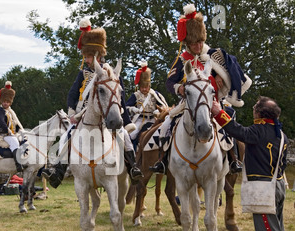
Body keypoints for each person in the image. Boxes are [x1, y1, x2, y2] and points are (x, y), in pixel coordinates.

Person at [149, 3, 251, 174]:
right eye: (194, 42)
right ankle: (162, 160)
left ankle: (234, 160)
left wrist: (220, 75)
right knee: (167, 124)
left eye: (200, 41)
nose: (197, 46)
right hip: (188, 104)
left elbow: (230, 75)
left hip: (215, 103)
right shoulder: (182, 60)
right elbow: (169, 82)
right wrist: (179, 88)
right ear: (188, 42)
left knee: (229, 123)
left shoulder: (213, 56)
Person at [42, 18, 143, 188]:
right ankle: (58, 171)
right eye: (86, 56)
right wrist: (72, 112)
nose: (87, 60)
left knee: (124, 136)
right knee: (68, 135)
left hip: (107, 114)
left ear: (97, 55)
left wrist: (125, 120)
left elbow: (121, 98)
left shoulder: (111, 72)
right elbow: (72, 93)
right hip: (84, 115)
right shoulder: (83, 73)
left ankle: (132, 168)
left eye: (89, 56)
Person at [212, 96, 289, 231]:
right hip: (277, 184)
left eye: (255, 107)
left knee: (268, 230)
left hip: (264, 189)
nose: (253, 110)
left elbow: (238, 131)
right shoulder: (280, 133)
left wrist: (218, 113)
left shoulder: (260, 130)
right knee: (277, 228)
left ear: (260, 113)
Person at [125, 61, 169, 149]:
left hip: (153, 119)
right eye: (142, 87)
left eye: (146, 87)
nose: (144, 89)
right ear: (139, 86)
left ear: (149, 86)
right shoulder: (135, 95)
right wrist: (133, 109)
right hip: (140, 119)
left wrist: (158, 110)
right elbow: (126, 107)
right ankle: (132, 154)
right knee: (131, 135)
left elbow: (164, 106)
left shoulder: (155, 94)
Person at [0, 81, 24, 173]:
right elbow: (2, 122)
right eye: (4, 101)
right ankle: (18, 165)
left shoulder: (10, 111)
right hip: (3, 134)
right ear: (2, 101)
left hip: (12, 133)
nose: (5, 103)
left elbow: (15, 123)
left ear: (10, 103)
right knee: (14, 142)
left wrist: (20, 130)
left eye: (7, 102)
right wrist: (8, 131)